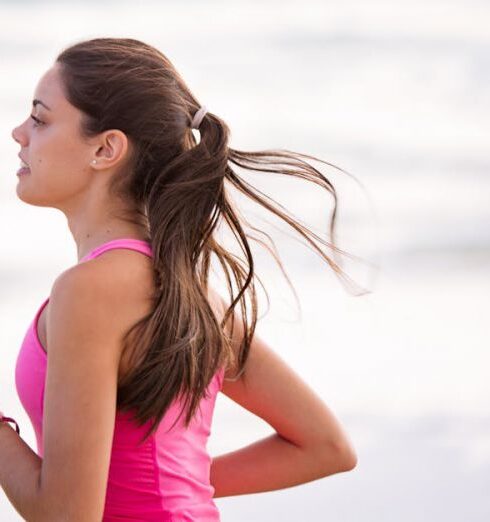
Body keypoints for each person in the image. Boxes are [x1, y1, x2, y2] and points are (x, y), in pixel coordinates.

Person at [4, 37, 361, 521]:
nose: (18, 132)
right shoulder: (186, 290)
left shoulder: (90, 291)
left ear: (106, 149)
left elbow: (65, 516)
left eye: (41, 119)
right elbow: (324, 445)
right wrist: (177, 485)